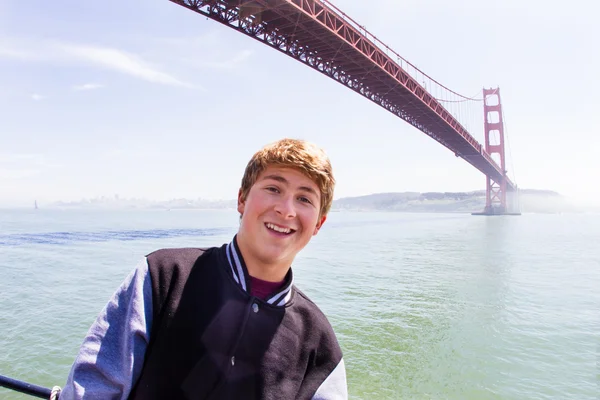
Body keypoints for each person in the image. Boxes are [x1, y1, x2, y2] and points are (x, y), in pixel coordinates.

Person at [60, 138, 348, 399]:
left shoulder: (319, 343)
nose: (286, 210)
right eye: (274, 188)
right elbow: (93, 387)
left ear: (319, 224)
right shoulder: (163, 276)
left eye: (304, 199)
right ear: (242, 199)